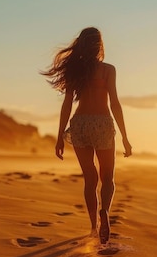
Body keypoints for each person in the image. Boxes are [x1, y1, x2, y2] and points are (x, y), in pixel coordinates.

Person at [41, 27, 132, 244]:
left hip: (80, 123)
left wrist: (60, 136)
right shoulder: (108, 70)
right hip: (101, 122)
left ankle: (93, 227)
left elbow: (66, 105)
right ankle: (105, 213)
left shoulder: (75, 71)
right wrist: (125, 137)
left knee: (89, 178)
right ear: (99, 46)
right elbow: (115, 103)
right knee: (107, 177)